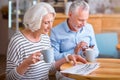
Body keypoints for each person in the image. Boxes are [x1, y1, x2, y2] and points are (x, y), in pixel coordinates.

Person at [6, 2, 87, 80]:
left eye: (51, 21)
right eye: (46, 23)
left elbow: (50, 68)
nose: (50, 27)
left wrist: (67, 58)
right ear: (35, 21)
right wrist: (26, 64)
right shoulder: (17, 42)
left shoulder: (45, 37)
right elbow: (9, 77)